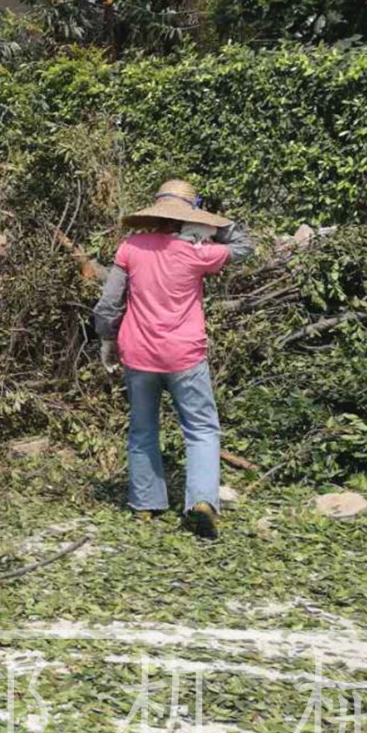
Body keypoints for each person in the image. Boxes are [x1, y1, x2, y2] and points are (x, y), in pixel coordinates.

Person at [93, 179, 253, 539]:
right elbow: (245, 247)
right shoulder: (198, 253)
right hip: (184, 356)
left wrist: (107, 340)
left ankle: (146, 504)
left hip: (138, 354)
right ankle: (202, 501)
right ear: (188, 217)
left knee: (142, 429)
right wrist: (215, 224)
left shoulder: (131, 247)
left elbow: (109, 303)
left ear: (156, 212)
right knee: (201, 429)